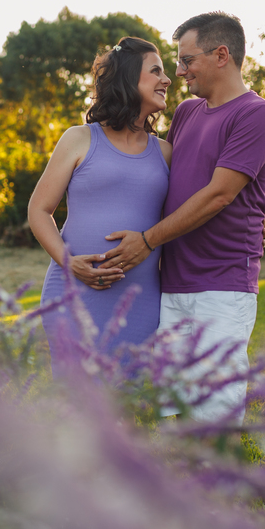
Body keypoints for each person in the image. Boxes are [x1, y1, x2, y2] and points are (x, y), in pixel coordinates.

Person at [98, 12, 265, 423]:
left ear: (221, 55)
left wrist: (147, 240)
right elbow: (161, 178)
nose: (179, 72)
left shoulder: (257, 114)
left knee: (213, 415)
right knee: (170, 411)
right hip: (172, 285)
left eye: (186, 60)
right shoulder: (186, 113)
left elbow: (218, 195)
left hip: (222, 286)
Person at [28, 36, 172, 369]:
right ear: (128, 77)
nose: (167, 80)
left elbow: (187, 215)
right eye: (156, 71)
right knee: (78, 398)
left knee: (131, 397)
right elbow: (39, 210)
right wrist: (69, 262)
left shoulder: (166, 152)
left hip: (141, 303)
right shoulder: (79, 138)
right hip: (72, 295)